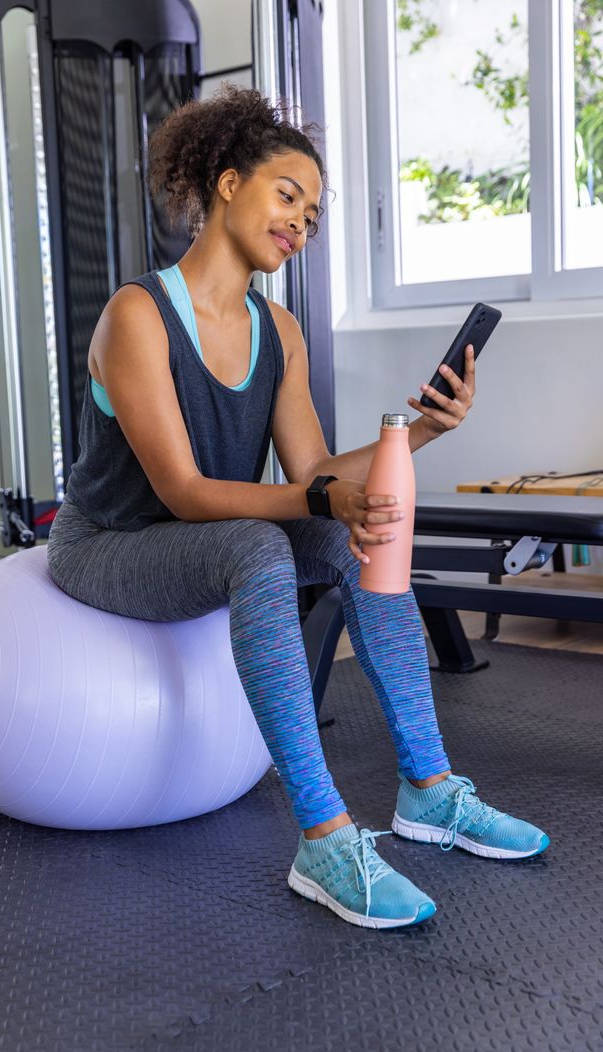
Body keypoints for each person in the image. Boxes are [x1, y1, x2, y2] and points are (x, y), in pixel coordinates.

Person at [47, 85, 549, 930]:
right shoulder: (138, 315)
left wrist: (419, 430)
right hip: (111, 541)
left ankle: (429, 791)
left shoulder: (277, 331)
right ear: (229, 182)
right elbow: (184, 492)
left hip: (204, 535)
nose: (301, 222)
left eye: (313, 215)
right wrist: (324, 496)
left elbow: (311, 468)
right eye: (289, 196)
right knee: (263, 548)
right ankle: (322, 835)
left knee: (362, 532)